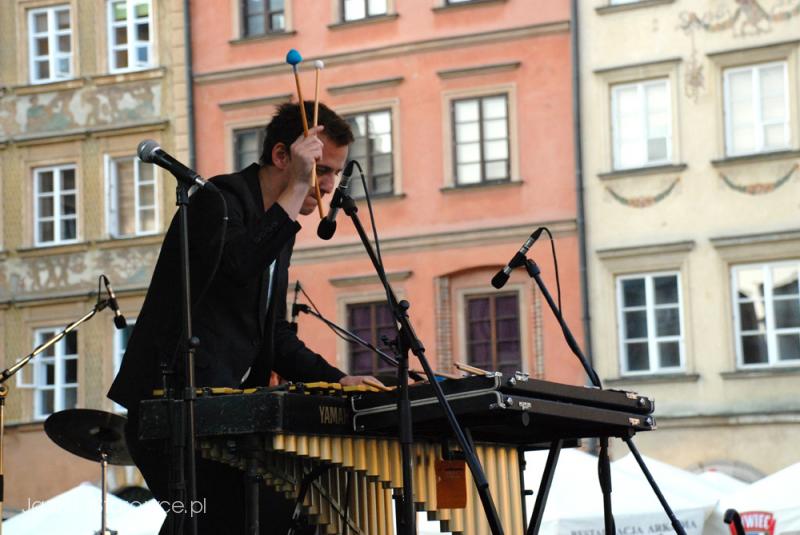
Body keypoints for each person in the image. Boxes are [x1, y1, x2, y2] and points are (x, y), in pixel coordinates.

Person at [108, 102, 380, 534]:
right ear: (281, 156)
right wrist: (294, 192)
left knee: (283, 519)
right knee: (232, 519)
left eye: (335, 173)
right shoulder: (217, 202)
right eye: (320, 169)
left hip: (220, 413)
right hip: (167, 407)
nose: (329, 186)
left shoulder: (280, 228)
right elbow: (238, 265)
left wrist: (337, 378)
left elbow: (273, 335)